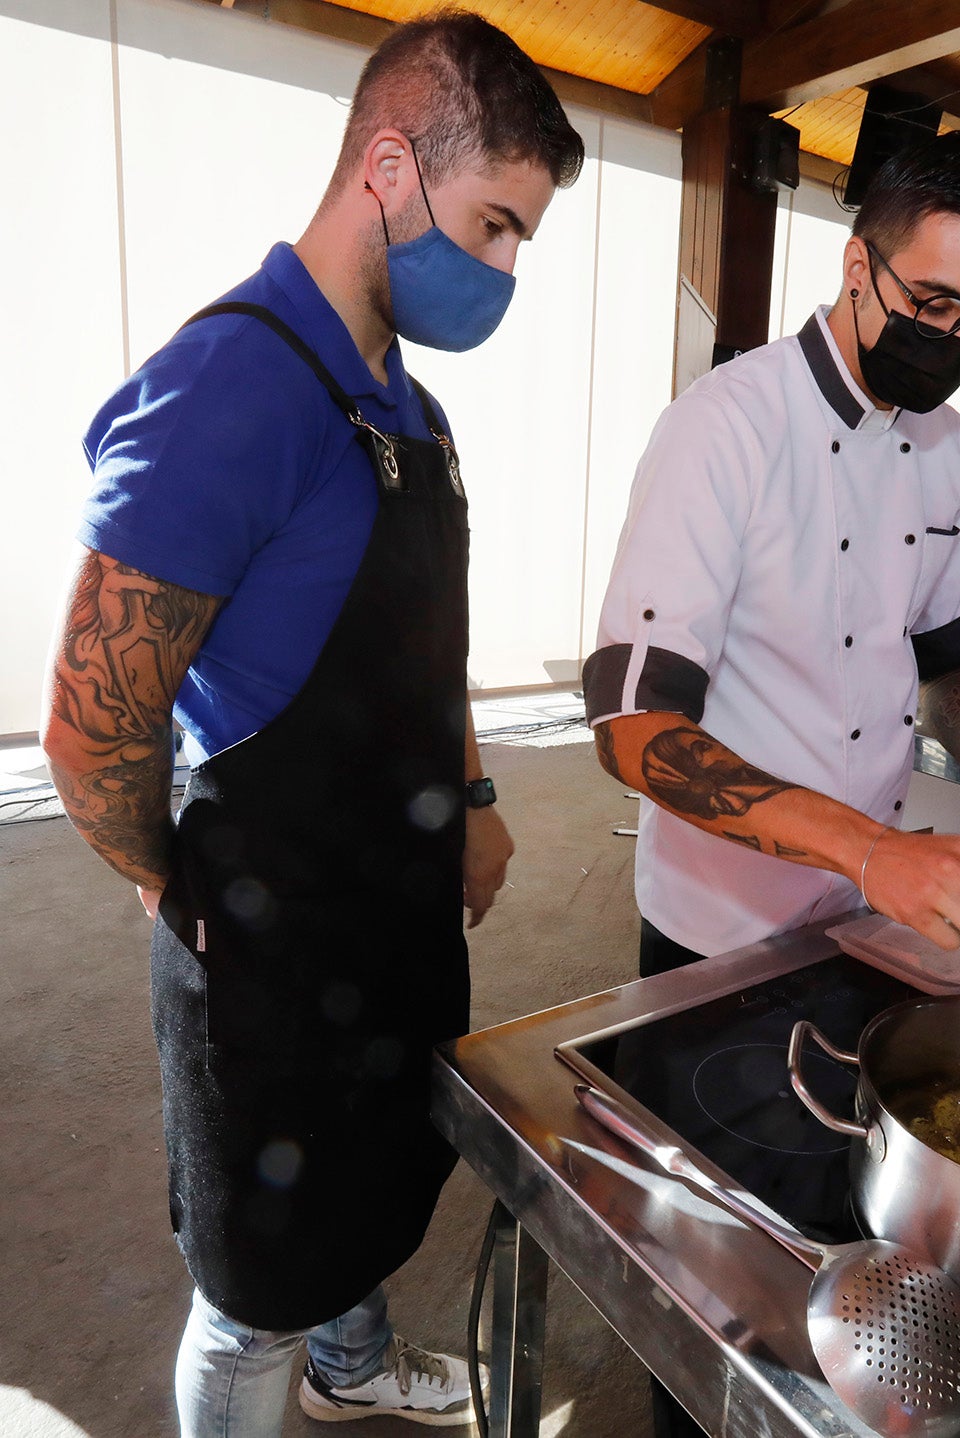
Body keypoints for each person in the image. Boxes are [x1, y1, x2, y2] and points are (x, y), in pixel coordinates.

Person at [40, 13, 583, 1435]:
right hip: (268, 941)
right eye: (493, 225)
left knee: (369, 1185)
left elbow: (426, 645)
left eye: (522, 236)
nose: (504, 268)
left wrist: (467, 800)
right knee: (254, 1278)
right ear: (386, 167)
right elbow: (93, 730)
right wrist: (172, 878)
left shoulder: (413, 409)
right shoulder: (230, 388)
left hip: (390, 911)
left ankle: (351, 1366)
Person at [583, 129, 960, 1436]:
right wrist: (868, 845)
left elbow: (945, 639)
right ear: (856, 266)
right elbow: (630, 721)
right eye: (931, 304)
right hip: (719, 924)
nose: (956, 338)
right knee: (712, 1269)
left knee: (839, 1233)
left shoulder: (949, 446)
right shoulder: (724, 429)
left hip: (864, 915)